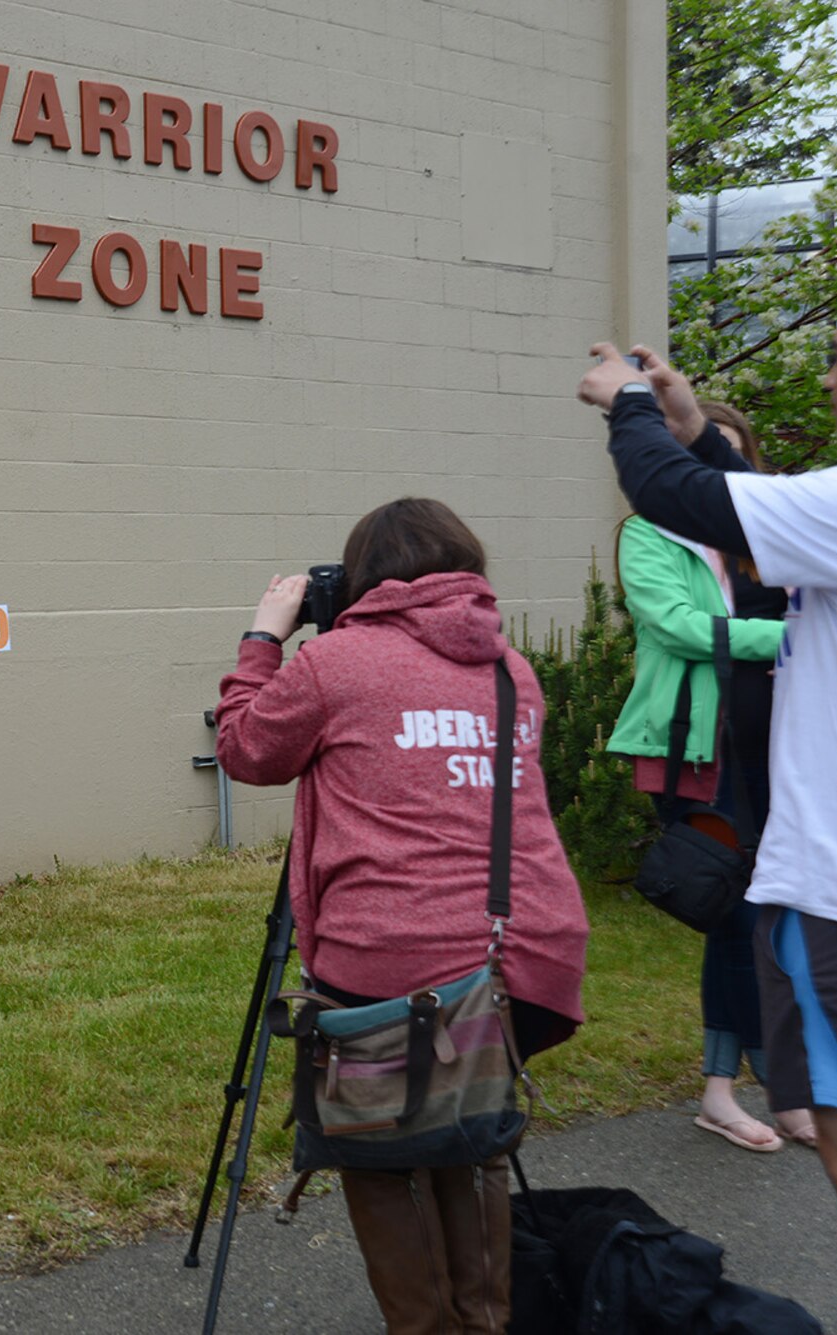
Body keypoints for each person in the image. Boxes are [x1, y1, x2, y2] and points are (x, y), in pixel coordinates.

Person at [577, 270, 837, 1335]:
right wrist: (700, 428)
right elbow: (751, 515)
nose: (827, 376)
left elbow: (677, 499)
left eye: (835, 353)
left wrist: (631, 401)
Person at [215, 498, 589, 1333]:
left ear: (361, 580)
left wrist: (264, 638)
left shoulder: (337, 662)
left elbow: (246, 749)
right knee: (467, 1129)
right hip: (521, 949)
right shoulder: (509, 666)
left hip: (391, 956)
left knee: (378, 1149)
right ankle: (481, 1318)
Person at [606, 403, 810, 1152]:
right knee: (733, 911)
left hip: (785, 745)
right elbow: (678, 625)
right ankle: (743, 1089)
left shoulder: (773, 543)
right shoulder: (649, 532)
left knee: (765, 914)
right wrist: (794, 637)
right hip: (699, 746)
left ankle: (746, 1085)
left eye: (719, 455)